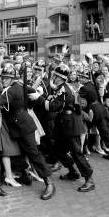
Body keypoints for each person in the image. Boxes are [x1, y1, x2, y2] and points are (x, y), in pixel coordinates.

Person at [0, 65, 55, 200]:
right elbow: (29, 91)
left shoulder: (12, 90)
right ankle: (25, 174)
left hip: (24, 125)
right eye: (4, 77)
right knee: (20, 153)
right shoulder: (14, 87)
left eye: (8, 78)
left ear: (13, 79)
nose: (5, 80)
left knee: (33, 153)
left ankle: (49, 183)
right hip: (16, 126)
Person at [29, 64, 95, 193]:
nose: (53, 77)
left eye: (55, 75)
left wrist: (39, 98)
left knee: (77, 153)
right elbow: (56, 100)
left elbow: (52, 107)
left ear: (60, 77)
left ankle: (89, 179)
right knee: (58, 150)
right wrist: (45, 96)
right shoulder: (61, 88)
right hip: (64, 125)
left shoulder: (64, 89)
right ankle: (73, 171)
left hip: (70, 125)